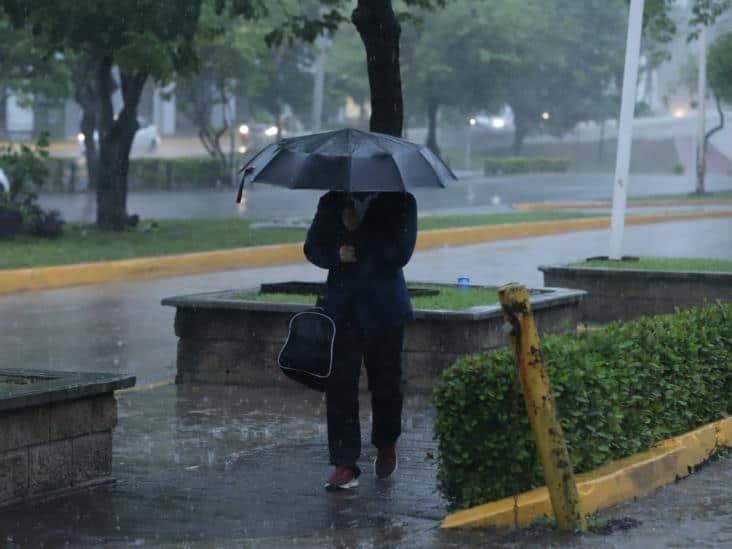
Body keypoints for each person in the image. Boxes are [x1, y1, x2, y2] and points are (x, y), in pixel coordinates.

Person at [304, 190, 417, 491]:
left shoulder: (401, 202)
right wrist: (336, 254)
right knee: (339, 386)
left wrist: (359, 233)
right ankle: (344, 463)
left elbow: (400, 253)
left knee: (387, 384)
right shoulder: (332, 201)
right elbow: (312, 247)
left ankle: (386, 442)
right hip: (342, 311)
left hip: (385, 310)